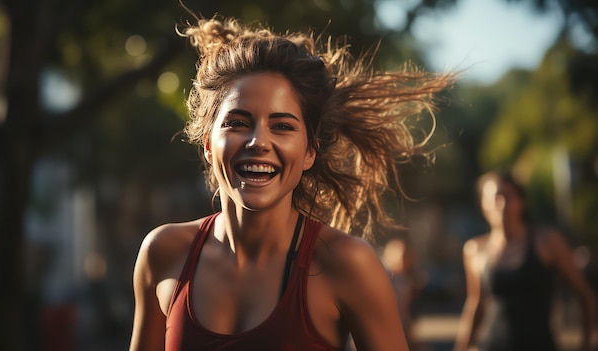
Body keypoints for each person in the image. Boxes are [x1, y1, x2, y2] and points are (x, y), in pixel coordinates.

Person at [129, 11, 455, 351]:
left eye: (282, 126)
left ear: (310, 153)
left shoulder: (346, 263)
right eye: (237, 122)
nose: (259, 142)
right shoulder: (163, 253)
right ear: (209, 145)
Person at [454, 172, 596, 351]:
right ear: (483, 204)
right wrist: (460, 347)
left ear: (522, 202)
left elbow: (584, 295)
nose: (503, 204)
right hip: (491, 346)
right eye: (497, 197)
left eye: (509, 196)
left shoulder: (547, 243)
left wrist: (585, 345)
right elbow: (475, 304)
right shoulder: (475, 250)